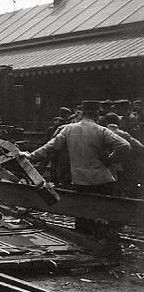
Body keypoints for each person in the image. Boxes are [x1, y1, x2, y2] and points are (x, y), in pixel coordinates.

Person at [19, 100, 130, 236]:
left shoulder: (69, 129)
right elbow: (124, 145)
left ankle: (85, 241)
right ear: (96, 114)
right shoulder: (101, 130)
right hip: (102, 180)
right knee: (103, 214)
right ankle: (104, 240)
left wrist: (30, 156)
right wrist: (110, 160)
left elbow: (50, 147)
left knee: (82, 215)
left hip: (80, 180)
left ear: (82, 114)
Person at [103, 112, 144, 198]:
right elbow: (139, 147)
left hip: (102, 167)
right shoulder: (123, 134)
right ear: (118, 122)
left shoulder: (100, 133)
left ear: (105, 122)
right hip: (121, 167)